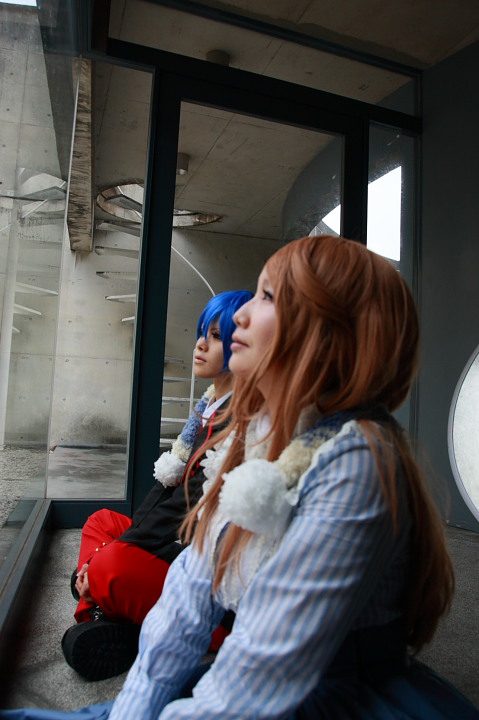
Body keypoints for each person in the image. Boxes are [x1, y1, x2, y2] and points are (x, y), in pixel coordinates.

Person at [2, 235, 479, 719]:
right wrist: (134, 709)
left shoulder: (356, 466)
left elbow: (264, 673)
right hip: (244, 673)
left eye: (267, 296)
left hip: (312, 697)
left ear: (327, 334)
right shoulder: (260, 434)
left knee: (115, 567)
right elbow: (188, 594)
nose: (243, 315)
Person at [61, 289, 252, 682]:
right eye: (202, 332)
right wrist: (122, 544)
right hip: (179, 550)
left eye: (216, 336)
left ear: (244, 345)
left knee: (111, 563)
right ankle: (102, 609)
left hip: (208, 588)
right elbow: (167, 487)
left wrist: (107, 558)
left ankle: (101, 608)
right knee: (102, 521)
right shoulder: (207, 410)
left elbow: (185, 507)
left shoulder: (240, 423)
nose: (201, 344)